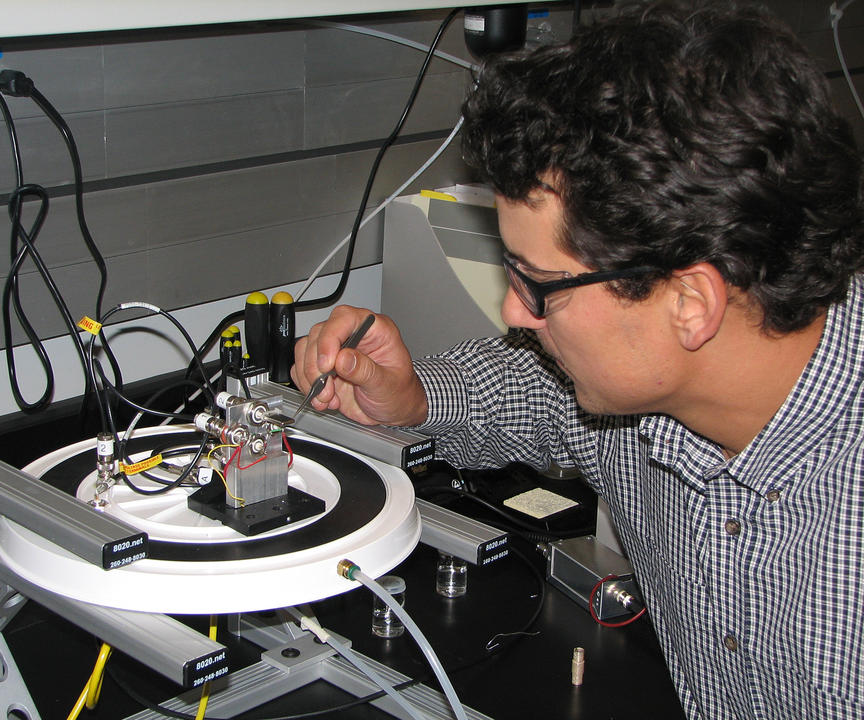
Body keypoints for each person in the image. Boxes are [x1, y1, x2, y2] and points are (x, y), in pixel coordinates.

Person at [292, 1, 864, 717]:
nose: (512, 311)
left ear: (690, 302)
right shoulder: (645, 396)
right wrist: (413, 399)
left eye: (538, 285)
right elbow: (537, 394)